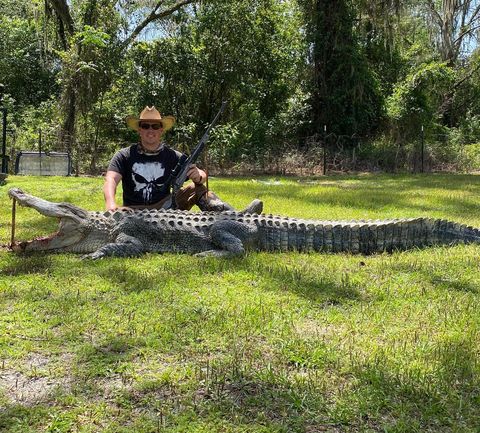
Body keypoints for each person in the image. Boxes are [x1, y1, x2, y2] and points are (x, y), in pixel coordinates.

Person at [104, 106, 263, 213]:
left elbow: (200, 173)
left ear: (161, 130)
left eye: (155, 126)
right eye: (146, 126)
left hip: (165, 206)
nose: (150, 130)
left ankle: (234, 216)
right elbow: (111, 179)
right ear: (139, 130)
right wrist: (111, 204)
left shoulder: (174, 156)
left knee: (197, 188)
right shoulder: (124, 155)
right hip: (133, 210)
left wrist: (199, 176)